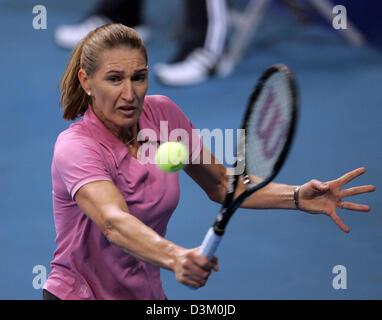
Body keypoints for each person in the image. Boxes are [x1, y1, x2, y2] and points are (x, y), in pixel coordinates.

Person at [44, 23, 375, 300]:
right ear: (87, 81)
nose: (130, 93)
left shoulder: (162, 113)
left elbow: (220, 184)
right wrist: (176, 257)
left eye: (139, 77)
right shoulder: (76, 147)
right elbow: (113, 221)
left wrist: (297, 196)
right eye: (114, 79)